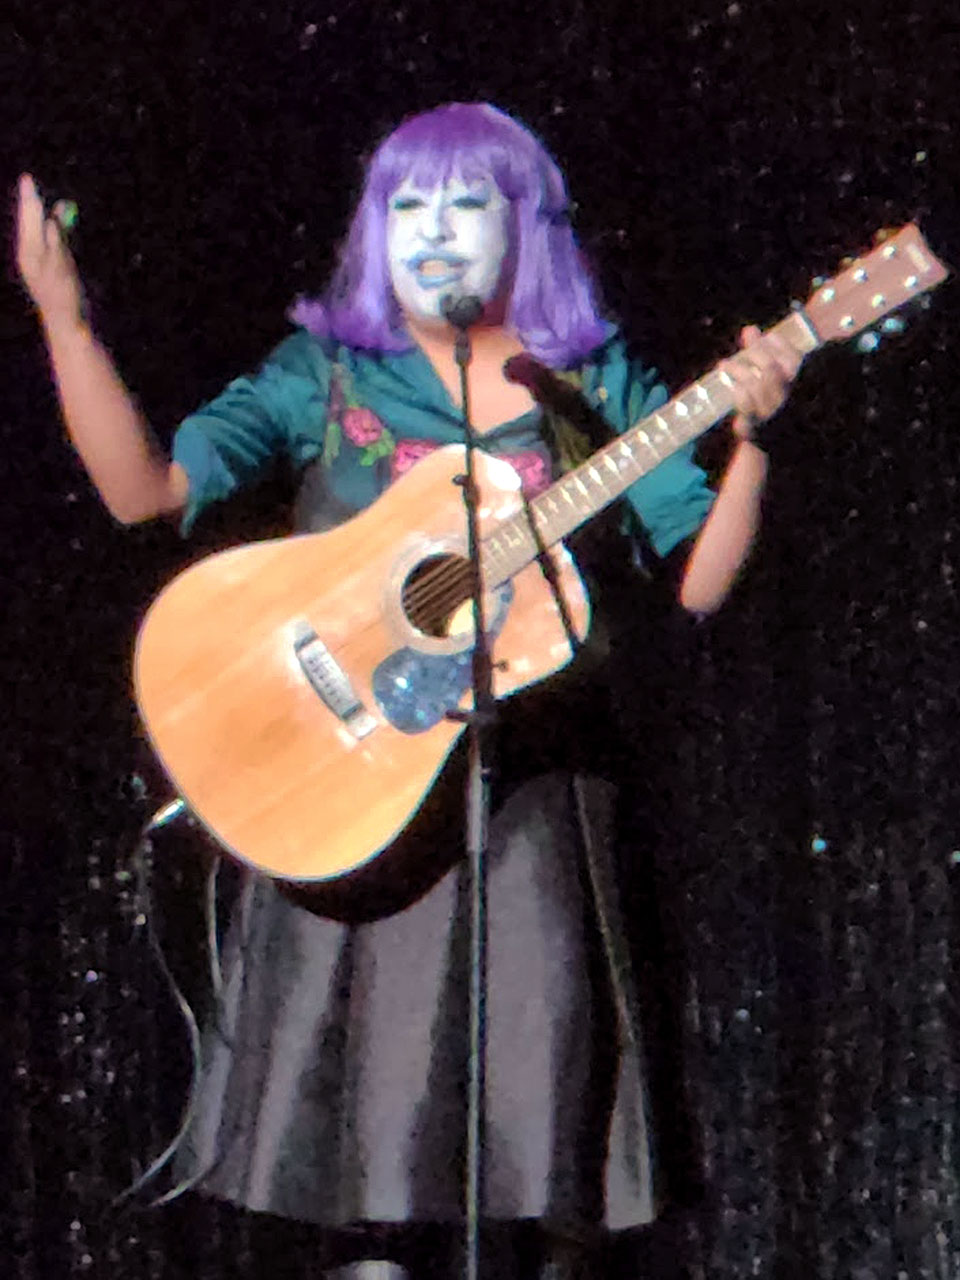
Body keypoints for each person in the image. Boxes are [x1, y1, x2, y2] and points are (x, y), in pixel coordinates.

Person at [16, 102, 801, 1279]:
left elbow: (698, 583)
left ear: (527, 227)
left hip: (529, 815)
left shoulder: (585, 382)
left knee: (542, 1172)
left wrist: (756, 441)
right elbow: (147, 492)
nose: (433, 229)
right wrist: (65, 322)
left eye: (467, 202)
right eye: (406, 204)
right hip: (354, 807)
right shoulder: (331, 376)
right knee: (366, 1205)